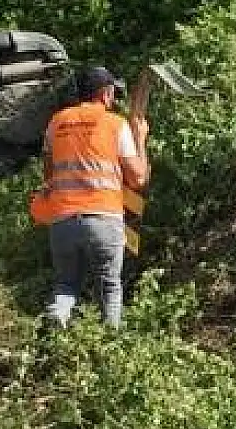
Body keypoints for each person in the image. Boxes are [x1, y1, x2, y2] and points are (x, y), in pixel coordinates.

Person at [29, 65, 150, 328]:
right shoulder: (116, 125)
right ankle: (110, 345)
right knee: (109, 286)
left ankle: (56, 319)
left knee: (65, 284)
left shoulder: (57, 122)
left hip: (62, 221)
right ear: (105, 94)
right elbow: (138, 178)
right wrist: (140, 138)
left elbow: (49, 174)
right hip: (104, 218)